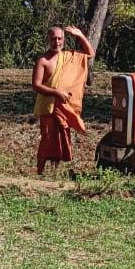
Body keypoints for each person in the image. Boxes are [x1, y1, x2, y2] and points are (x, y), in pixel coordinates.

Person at [32, 24, 94, 175]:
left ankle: (54, 171)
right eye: (53, 39)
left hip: (63, 106)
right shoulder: (43, 60)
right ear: (48, 40)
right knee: (47, 137)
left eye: (60, 38)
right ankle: (39, 171)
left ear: (64, 40)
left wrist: (79, 35)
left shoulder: (68, 56)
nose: (57, 42)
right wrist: (56, 92)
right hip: (47, 106)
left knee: (60, 137)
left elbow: (90, 53)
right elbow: (36, 85)